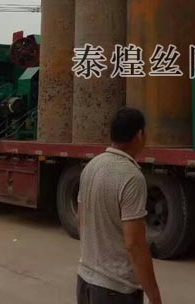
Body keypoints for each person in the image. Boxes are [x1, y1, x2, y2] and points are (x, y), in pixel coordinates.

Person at [76, 108, 162, 304]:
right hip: (115, 290)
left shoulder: (91, 167)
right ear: (139, 135)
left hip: (85, 281)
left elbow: (82, 222)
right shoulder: (131, 176)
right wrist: (154, 296)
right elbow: (135, 244)